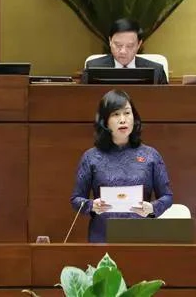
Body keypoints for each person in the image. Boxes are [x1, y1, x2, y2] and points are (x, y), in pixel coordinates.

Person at [70, 89, 173, 242]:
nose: (123, 120)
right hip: (103, 237)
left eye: (127, 113)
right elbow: (76, 199)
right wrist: (91, 205)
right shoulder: (91, 157)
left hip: (142, 237)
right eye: (116, 114)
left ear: (134, 117)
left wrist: (152, 208)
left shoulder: (150, 155)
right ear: (105, 121)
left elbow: (167, 196)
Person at [81, 18, 168, 84]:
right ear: (110, 41)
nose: (123, 51)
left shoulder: (157, 71)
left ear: (139, 44)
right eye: (118, 45)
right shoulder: (93, 68)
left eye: (129, 46)